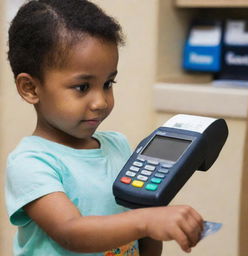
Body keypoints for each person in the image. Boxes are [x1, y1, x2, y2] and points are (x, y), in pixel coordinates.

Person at [5, 0, 204, 255]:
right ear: (30, 88)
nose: (101, 102)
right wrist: (146, 221)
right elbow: (71, 232)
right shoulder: (31, 162)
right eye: (82, 87)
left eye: (108, 83)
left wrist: (153, 219)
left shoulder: (117, 145)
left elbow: (143, 226)